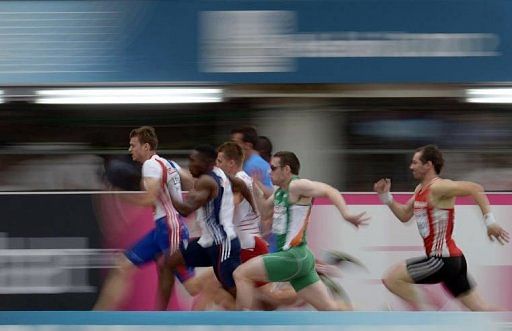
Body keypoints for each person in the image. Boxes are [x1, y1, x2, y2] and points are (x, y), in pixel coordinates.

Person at [374, 144, 510, 311]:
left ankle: (431, 313)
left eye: (415, 162)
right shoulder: (420, 190)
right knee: (480, 309)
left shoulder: (439, 187)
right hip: (452, 260)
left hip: (442, 259)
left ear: (428, 165)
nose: (411, 167)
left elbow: (475, 189)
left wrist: (490, 222)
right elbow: (404, 215)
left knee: (392, 279)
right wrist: (386, 197)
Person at [233, 151, 369, 310]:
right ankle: (375, 318)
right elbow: (264, 213)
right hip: (301, 259)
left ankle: (240, 324)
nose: (269, 172)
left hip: (293, 256)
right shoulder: (279, 192)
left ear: (286, 170)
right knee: (330, 308)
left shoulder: (296, 185)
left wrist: (346, 214)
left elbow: (329, 190)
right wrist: (255, 190)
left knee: (241, 274)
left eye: (273, 167)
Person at [94, 126, 194, 310]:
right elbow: (189, 179)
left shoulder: (150, 165)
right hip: (162, 230)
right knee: (122, 266)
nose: (130, 150)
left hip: (171, 229)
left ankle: (229, 298)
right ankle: (97, 318)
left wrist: (121, 195)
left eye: (133, 145)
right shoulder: (169, 163)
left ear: (146, 147)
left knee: (191, 285)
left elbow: (149, 197)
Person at [165, 145, 243, 300]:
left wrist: (169, 189)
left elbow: (186, 210)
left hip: (222, 242)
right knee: (171, 261)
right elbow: (243, 187)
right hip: (207, 242)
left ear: (206, 162)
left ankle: (255, 312)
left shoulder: (208, 180)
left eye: (192, 160)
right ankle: (161, 312)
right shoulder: (219, 176)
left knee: (229, 287)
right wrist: (255, 206)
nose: (190, 164)